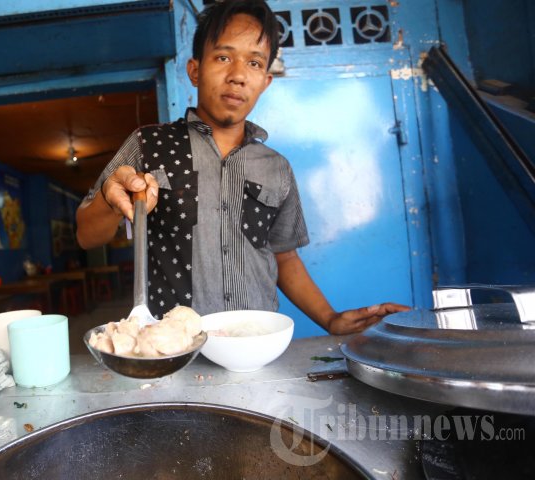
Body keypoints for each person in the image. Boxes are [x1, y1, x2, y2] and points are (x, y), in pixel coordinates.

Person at [76, 0, 408, 334]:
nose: (237, 76)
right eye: (223, 57)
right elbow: (88, 236)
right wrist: (109, 198)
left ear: (265, 81)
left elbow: (285, 257)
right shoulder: (148, 144)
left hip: (256, 347)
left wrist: (330, 319)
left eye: (254, 62)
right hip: (173, 350)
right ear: (195, 70)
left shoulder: (276, 167)